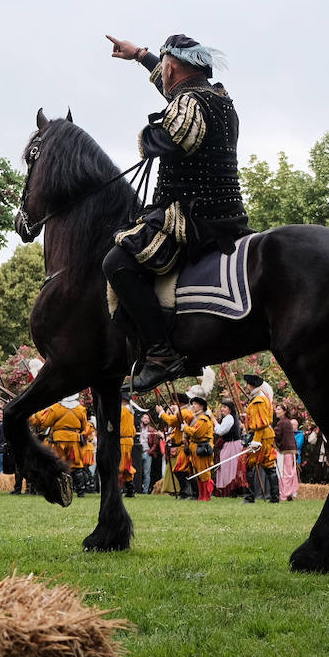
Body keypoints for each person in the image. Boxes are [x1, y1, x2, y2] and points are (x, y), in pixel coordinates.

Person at [102, 34, 253, 391]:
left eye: (163, 67)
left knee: (116, 262)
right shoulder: (217, 97)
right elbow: (179, 99)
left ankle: (160, 353)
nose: (164, 75)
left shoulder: (189, 102)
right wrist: (141, 55)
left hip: (192, 218)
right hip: (226, 214)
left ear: (171, 67)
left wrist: (147, 134)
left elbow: (173, 136)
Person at [33, 394, 88, 495]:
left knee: (58, 465)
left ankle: (59, 490)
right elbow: (84, 426)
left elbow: (46, 423)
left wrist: (39, 414)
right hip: (74, 440)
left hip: (58, 440)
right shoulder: (81, 409)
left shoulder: (56, 408)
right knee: (76, 466)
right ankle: (81, 491)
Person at [242, 374, 279, 504]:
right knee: (269, 465)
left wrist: (255, 441)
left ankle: (249, 497)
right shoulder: (260, 397)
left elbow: (260, 423)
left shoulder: (258, 400)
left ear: (251, 385)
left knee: (248, 464)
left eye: (247, 384)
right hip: (266, 435)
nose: (245, 386)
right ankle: (275, 498)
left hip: (261, 436)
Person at [160, 393, 194, 499]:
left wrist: (161, 413)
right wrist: (172, 436)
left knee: (181, 470)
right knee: (181, 470)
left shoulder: (183, 412)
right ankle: (186, 492)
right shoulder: (182, 411)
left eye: (174, 401)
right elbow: (178, 428)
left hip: (184, 445)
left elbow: (172, 422)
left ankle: (186, 492)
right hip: (181, 445)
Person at [183, 394, 215, 501]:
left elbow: (197, 434)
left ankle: (206, 496)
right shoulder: (197, 419)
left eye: (195, 404)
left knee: (203, 472)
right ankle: (201, 496)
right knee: (198, 472)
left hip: (202, 448)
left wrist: (186, 429)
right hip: (195, 448)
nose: (193, 406)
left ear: (201, 407)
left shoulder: (203, 419)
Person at [273, 403, 299, 501]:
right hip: (291, 451)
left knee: (284, 472)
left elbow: (274, 434)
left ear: (284, 411)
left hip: (286, 451)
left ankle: (284, 494)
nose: (276, 411)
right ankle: (290, 493)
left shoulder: (282, 422)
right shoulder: (287, 422)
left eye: (278, 409)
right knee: (290, 472)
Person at [119, 388, 138, 497]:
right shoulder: (130, 411)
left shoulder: (122, 410)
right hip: (129, 440)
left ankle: (119, 488)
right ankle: (130, 489)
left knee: (121, 465)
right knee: (126, 464)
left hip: (122, 440)